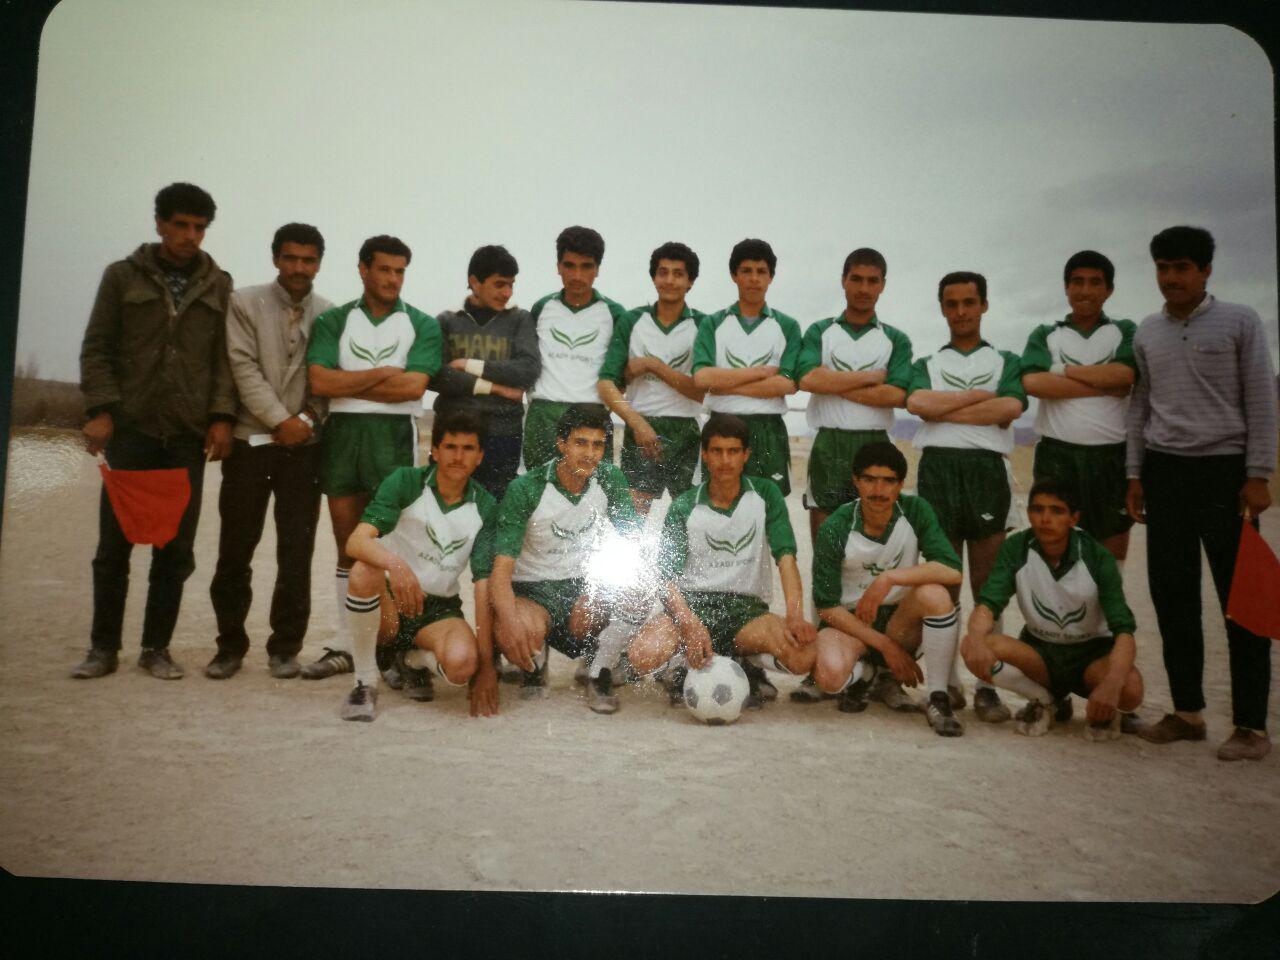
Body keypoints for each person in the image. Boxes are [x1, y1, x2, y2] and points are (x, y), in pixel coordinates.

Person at [1125, 225, 1277, 761]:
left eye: (1182, 268)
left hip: (1225, 474)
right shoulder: (1147, 332)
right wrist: (1135, 473)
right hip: (1166, 472)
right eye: (1163, 268)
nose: (1171, 278)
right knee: (1173, 597)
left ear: (1206, 270)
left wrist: (1259, 473)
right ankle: (1187, 713)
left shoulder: (1241, 321)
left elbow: (1262, 397)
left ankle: (1251, 727)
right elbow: (1141, 407)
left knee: (1242, 602)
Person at [74, 182, 234, 680]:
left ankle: (155, 649)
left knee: (175, 548)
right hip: (132, 430)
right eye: (181, 225)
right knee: (114, 547)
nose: (190, 236)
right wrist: (101, 409)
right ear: (160, 223)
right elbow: (97, 347)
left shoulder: (219, 285)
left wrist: (221, 417)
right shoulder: (122, 277)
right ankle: (103, 649)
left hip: (186, 437)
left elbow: (224, 360)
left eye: (199, 228)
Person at [302, 235, 442, 681]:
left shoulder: (421, 323)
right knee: (348, 544)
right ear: (363, 269)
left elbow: (413, 387)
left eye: (400, 271)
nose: (393, 279)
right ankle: (347, 644)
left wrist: (349, 381)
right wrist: (383, 373)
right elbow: (320, 382)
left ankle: (393, 649)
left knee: (393, 546)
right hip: (343, 437)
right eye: (384, 269)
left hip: (393, 437)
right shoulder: (334, 320)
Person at [205, 223, 332, 680]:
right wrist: (281, 420)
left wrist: (308, 421)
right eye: (291, 257)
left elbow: (327, 381)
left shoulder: (331, 315)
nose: (299, 267)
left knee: (296, 552)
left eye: (308, 259)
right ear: (276, 258)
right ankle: (229, 646)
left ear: (318, 263)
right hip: (250, 444)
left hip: (305, 449)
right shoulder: (244, 303)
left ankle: (285, 647)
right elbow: (242, 367)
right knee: (236, 549)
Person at [627, 413, 818, 709]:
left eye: (733, 451)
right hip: (695, 605)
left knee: (803, 657)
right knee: (642, 655)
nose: (725, 460)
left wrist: (794, 616)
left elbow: (786, 559)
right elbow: (665, 578)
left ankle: (746, 661)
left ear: (746, 455)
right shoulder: (684, 505)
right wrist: (688, 623)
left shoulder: (766, 494)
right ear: (704, 455)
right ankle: (682, 664)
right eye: (717, 451)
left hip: (746, 610)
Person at [904, 271, 1027, 723]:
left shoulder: (1005, 361)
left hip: (986, 471)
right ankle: (947, 683)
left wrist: (947, 406)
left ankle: (987, 687)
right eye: (952, 304)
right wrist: (978, 398)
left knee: (988, 583)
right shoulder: (927, 363)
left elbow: (1010, 407)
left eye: (969, 302)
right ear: (942, 308)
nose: (960, 312)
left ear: (984, 305)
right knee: (945, 581)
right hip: (938, 470)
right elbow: (918, 404)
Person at [338, 410, 499, 722]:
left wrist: (486, 667)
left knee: (463, 665)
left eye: (468, 449)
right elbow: (356, 542)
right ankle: (364, 682)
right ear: (435, 451)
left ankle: (411, 661)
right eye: (450, 447)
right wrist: (396, 566)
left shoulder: (486, 506)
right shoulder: (406, 482)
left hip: (437, 609)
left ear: (480, 456)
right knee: (363, 571)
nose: (458, 457)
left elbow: (482, 584)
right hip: (390, 602)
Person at [489, 404, 645, 713]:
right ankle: (534, 663)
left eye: (598, 445)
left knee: (638, 587)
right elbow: (501, 571)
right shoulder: (526, 488)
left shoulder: (610, 479)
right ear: (561, 444)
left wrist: (606, 587)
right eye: (580, 443)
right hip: (534, 591)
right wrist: (509, 626)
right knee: (514, 625)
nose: (590, 454)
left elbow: (634, 542)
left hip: (580, 588)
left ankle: (599, 670)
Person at [961, 480, 1144, 740]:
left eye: (1057, 511)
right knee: (973, 646)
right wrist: (977, 639)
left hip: (1091, 657)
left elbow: (1124, 631)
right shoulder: (1016, 548)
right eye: (1038, 509)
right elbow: (987, 606)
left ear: (1074, 518)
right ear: (1028, 514)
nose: (1045, 519)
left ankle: (1107, 709)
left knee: (1131, 689)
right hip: (1041, 655)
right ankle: (1044, 701)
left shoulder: (1097, 557)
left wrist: (1112, 685)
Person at [809, 442, 965, 735]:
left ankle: (938, 697)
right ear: (856, 481)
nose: (879, 490)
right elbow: (826, 606)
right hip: (853, 623)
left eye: (888, 481)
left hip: (899, 622)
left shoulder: (915, 510)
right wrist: (885, 646)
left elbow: (952, 570)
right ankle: (867, 674)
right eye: (869, 479)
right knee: (829, 677)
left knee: (935, 595)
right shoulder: (836, 526)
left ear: (901, 484)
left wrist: (890, 579)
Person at [1021, 250, 1136, 561]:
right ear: (1066, 287)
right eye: (1077, 282)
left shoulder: (1124, 330)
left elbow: (1125, 375)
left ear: (1109, 289)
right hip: (1058, 456)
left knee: (1110, 555)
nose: (1085, 290)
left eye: (1095, 283)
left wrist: (1061, 371)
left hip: (1111, 457)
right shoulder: (1046, 334)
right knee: (1055, 549)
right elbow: (1033, 383)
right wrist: (1104, 385)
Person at [797, 248, 912, 541]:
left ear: (882, 285)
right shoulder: (820, 331)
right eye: (856, 279)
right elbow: (808, 379)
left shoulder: (896, 339)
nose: (864, 288)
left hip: (876, 443)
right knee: (827, 544)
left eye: (872, 281)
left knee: (874, 543)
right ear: (843, 280)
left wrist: (832, 381)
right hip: (829, 444)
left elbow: (897, 395)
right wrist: (870, 378)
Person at [597, 241, 707, 515]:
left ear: (691, 281)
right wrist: (637, 423)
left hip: (686, 431)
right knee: (632, 518)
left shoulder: (703, 324)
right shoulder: (632, 320)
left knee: (691, 517)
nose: (669, 280)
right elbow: (606, 383)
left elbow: (701, 391)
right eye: (663, 272)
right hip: (641, 427)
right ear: (654, 277)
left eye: (678, 274)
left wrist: (653, 365)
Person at [691, 238, 802, 496]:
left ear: (771, 277)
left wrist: (724, 385)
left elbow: (787, 383)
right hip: (721, 426)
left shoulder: (787, 326)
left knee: (768, 506)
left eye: (761, 271)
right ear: (734, 275)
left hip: (768, 428)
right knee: (717, 504)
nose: (754, 278)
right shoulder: (713, 323)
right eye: (746, 271)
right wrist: (760, 373)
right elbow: (702, 378)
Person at [431, 245, 540, 501]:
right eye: (500, 284)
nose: (507, 293)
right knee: (447, 506)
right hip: (453, 432)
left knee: (495, 509)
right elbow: (437, 375)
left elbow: (527, 369)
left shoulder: (520, 320)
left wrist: (467, 364)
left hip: (503, 433)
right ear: (474, 282)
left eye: (511, 285)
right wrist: (497, 388)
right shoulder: (447, 321)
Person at [523, 226, 626, 471]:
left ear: (597, 269)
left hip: (591, 415)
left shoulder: (614, 313)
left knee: (594, 490)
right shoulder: (542, 308)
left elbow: (622, 374)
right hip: (544, 414)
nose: (577, 275)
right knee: (537, 488)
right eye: (569, 266)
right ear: (558, 266)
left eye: (586, 266)